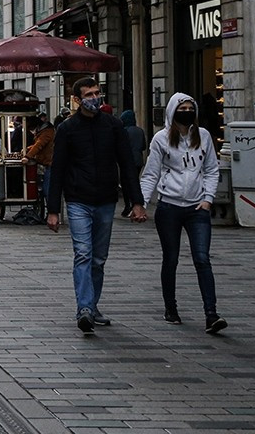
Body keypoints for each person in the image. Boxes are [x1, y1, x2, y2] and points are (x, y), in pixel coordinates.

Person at [46, 77, 147, 333]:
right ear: (78, 100)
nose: (95, 97)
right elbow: (57, 169)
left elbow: (126, 165)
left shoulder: (113, 126)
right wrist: (53, 209)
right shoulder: (68, 129)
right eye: (89, 94)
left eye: (97, 92)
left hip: (105, 200)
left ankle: (92, 304)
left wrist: (137, 202)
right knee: (83, 254)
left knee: (99, 258)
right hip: (78, 199)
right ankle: (85, 308)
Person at [140, 93, 225, 332]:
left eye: (190, 108)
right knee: (171, 258)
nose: (186, 112)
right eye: (182, 108)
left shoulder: (204, 136)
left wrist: (208, 199)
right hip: (169, 207)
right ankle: (171, 308)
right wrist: (142, 203)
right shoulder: (161, 139)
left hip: (197, 208)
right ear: (172, 111)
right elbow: (151, 173)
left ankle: (211, 313)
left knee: (202, 258)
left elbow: (211, 170)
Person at [23, 114, 56, 209]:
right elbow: (38, 145)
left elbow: (39, 145)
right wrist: (28, 149)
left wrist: (27, 156)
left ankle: (52, 211)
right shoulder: (44, 131)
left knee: (47, 190)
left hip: (49, 163)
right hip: (46, 162)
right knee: (44, 187)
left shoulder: (46, 132)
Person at [120, 110, 148, 218]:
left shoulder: (124, 131)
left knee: (126, 184)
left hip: (127, 161)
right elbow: (143, 146)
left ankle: (128, 205)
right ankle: (135, 202)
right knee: (135, 181)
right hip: (138, 160)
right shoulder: (140, 131)